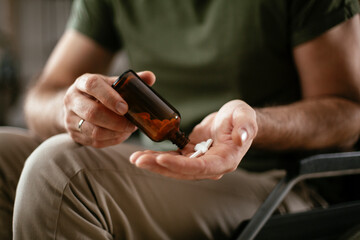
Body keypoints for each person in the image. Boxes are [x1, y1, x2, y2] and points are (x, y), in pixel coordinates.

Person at [0, 0, 359, 239]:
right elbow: (42, 96)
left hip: (282, 181)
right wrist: (74, 110)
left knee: (62, 173)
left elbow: (349, 113)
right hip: (154, 163)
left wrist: (253, 125)